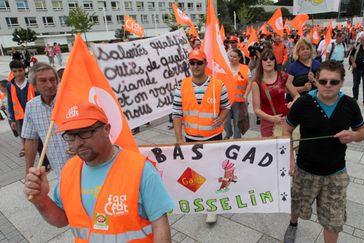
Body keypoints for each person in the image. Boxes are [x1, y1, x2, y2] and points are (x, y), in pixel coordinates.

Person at [23, 102, 174, 242]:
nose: (78, 142)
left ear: (107, 129)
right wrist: (41, 200)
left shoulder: (141, 169)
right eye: (71, 136)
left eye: (85, 132)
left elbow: (160, 225)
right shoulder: (69, 170)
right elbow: (62, 220)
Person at [283, 60, 364, 243]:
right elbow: (287, 130)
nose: (328, 85)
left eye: (334, 82)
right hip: (304, 170)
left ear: (342, 83)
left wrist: (353, 136)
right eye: (323, 81)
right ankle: (293, 223)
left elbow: (363, 131)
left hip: (336, 174)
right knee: (296, 204)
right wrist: (290, 160)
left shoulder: (350, 105)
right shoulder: (302, 103)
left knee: (333, 221)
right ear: (316, 81)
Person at [172, 49, 230, 224]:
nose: (195, 66)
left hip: (213, 138)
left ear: (205, 64)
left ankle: (212, 206)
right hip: (191, 139)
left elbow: (226, 106)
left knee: (213, 172)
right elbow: (177, 114)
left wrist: (220, 118)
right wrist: (179, 139)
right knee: (194, 172)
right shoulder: (181, 86)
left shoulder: (218, 85)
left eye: (199, 62)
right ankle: (201, 199)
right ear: (189, 65)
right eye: (192, 63)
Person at [21, 63, 72, 177]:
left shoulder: (71, 100)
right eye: (43, 81)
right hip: (59, 171)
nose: (49, 85)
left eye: (52, 80)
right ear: (34, 86)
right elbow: (30, 140)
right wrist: (29, 171)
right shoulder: (31, 106)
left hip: (82, 166)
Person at [251, 49, 293, 137]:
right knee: (270, 150)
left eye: (271, 58)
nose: (268, 61)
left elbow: (297, 96)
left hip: (286, 121)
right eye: (265, 59)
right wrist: (272, 118)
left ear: (275, 61)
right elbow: (256, 109)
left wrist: (293, 102)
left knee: (287, 149)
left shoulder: (283, 76)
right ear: (261, 62)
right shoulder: (256, 82)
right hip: (268, 123)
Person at [6, 60, 35, 157]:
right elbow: (10, 103)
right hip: (20, 116)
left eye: (20, 70)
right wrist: (12, 119)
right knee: (24, 135)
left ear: (24, 70)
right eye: (15, 71)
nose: (18, 73)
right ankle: (27, 150)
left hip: (33, 114)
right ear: (11, 72)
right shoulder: (10, 85)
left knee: (36, 134)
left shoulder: (31, 82)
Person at [224, 49, 251, 139]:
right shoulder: (225, 68)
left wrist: (246, 95)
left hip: (239, 101)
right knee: (226, 121)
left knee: (237, 121)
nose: (232, 58)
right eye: (231, 56)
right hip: (226, 100)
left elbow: (250, 83)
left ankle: (236, 139)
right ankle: (228, 133)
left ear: (239, 58)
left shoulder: (245, 69)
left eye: (235, 57)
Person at [285, 38, 320, 102]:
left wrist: (313, 80)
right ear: (298, 51)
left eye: (307, 49)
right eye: (302, 49)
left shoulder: (317, 64)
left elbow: (323, 85)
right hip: (297, 101)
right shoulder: (292, 67)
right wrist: (303, 89)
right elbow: (287, 89)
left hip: (314, 101)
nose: (305, 51)